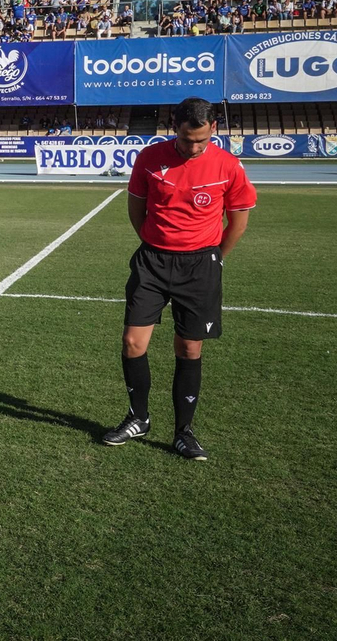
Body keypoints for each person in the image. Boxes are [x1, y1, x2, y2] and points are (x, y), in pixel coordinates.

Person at [102, 97, 256, 461]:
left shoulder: (228, 166)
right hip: (152, 262)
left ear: (213, 129)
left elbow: (239, 220)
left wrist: (215, 257)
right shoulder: (150, 158)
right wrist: (155, 242)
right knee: (132, 343)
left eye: (201, 140)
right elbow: (136, 207)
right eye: (187, 140)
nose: (194, 147)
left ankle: (183, 431)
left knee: (189, 348)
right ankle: (138, 417)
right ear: (175, 127)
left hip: (200, 265)